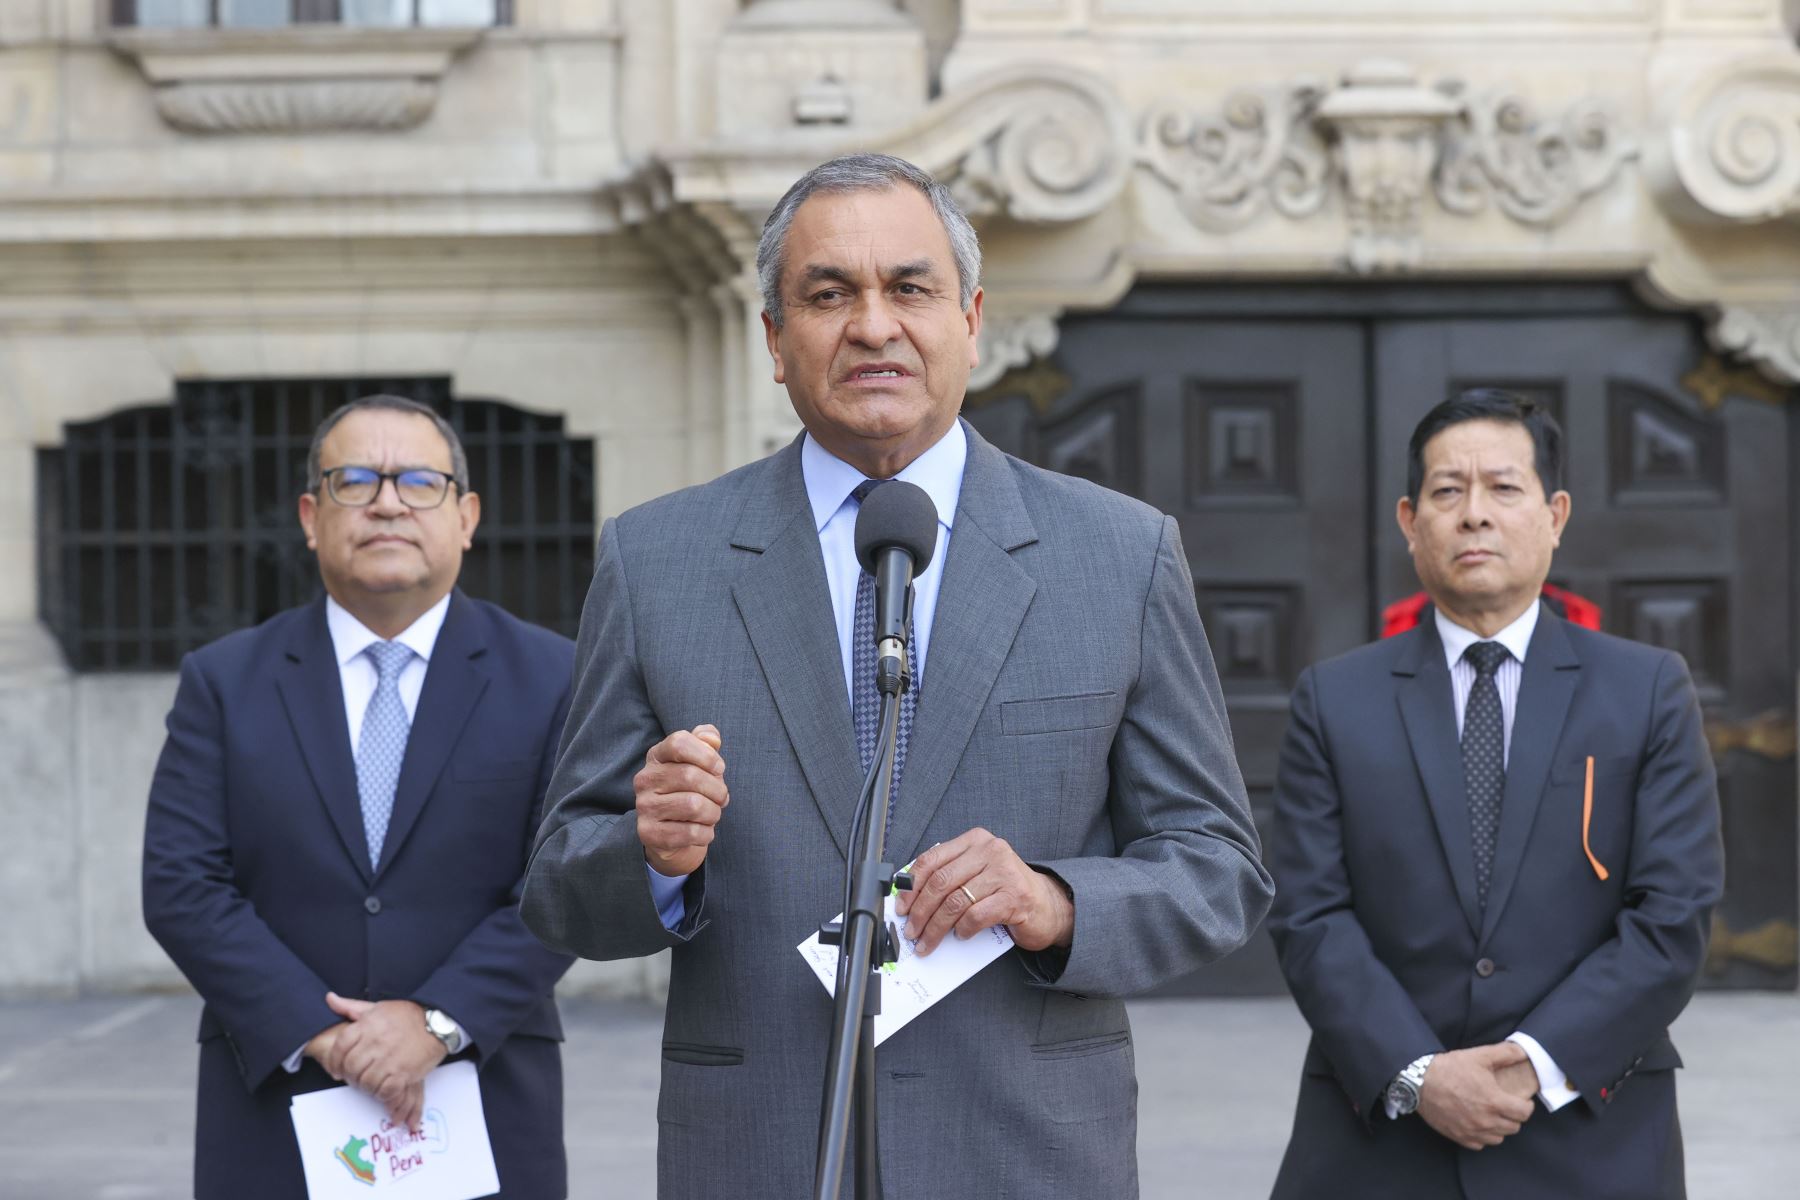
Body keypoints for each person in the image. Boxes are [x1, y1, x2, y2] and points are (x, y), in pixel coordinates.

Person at [520, 153, 1272, 1197]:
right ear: (775, 341)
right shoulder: (659, 561)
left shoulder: (1118, 553)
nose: (873, 325)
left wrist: (1054, 899)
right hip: (759, 1149)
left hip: (1024, 1153)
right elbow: (559, 884)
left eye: (908, 288)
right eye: (829, 295)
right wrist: (653, 855)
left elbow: (1217, 867)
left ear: (969, 318)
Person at [1267, 388, 1724, 1200]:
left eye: (1503, 488)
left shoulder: (1646, 688)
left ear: (1555, 515)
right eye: (1448, 491)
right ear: (1410, 521)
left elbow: (1673, 914)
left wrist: (1531, 1068)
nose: (1474, 513)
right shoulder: (1334, 700)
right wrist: (1422, 1075)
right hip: (1379, 1135)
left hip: (1592, 1130)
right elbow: (1309, 915)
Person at [143, 394, 576, 1199]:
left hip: (483, 1090)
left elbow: (564, 881)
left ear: (466, 515)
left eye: (418, 480)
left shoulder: (553, 678)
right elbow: (181, 886)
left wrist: (436, 1023)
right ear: (311, 516)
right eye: (353, 481)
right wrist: (325, 1035)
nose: (385, 501)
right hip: (275, 1101)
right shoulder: (225, 681)